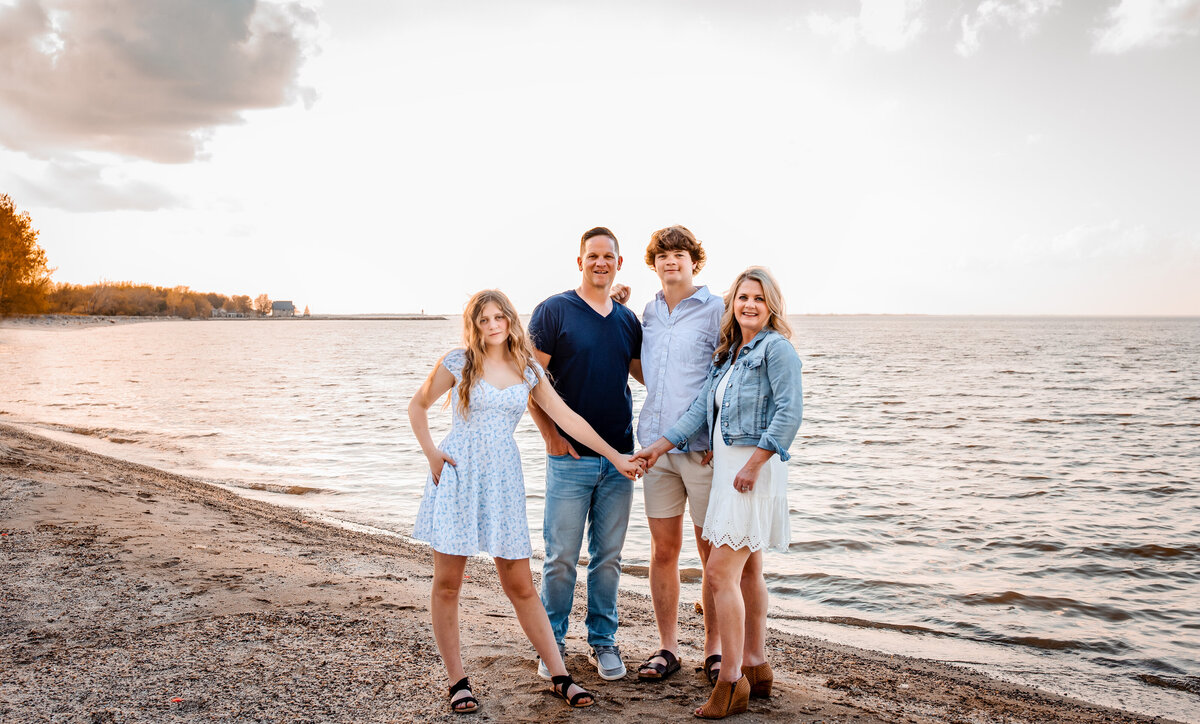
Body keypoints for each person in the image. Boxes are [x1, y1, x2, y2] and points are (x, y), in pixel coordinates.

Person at [408, 289, 642, 714]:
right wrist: (431, 453)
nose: (493, 325)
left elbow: (567, 418)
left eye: (499, 317)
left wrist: (614, 455)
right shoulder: (457, 363)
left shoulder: (527, 367)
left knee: (519, 584)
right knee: (447, 584)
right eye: (484, 320)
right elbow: (417, 406)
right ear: (474, 325)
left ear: (511, 319)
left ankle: (559, 675)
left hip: (503, 480)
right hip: (459, 474)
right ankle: (458, 681)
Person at [633, 267, 802, 719]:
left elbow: (789, 414)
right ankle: (756, 664)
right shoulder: (729, 355)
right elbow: (694, 414)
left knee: (719, 575)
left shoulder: (777, 350)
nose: (749, 305)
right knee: (747, 572)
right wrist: (657, 448)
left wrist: (752, 465)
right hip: (730, 473)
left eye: (758, 299)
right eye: (743, 297)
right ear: (733, 305)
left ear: (772, 307)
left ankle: (731, 682)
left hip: (751, 475)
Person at [527, 226, 643, 682]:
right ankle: (551, 643)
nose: (600, 262)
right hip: (569, 459)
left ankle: (603, 642)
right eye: (592, 255)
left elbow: (646, 375)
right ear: (580, 262)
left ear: (618, 262)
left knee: (608, 558)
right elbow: (529, 384)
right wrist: (549, 436)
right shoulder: (553, 311)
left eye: (608, 256)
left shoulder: (628, 320)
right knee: (560, 557)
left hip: (621, 456)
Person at [632, 226, 725, 684]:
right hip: (655, 446)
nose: (672, 261)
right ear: (655, 262)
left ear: (694, 261)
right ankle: (667, 648)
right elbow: (645, 369)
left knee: (711, 555)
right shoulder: (648, 310)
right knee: (663, 550)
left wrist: (711, 434)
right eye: (663, 255)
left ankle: (714, 650)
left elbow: (724, 377)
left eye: (680, 254)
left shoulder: (716, 310)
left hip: (702, 449)